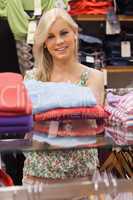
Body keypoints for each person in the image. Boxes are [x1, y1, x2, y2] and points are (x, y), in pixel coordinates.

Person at [23, 7, 104, 188]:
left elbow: (94, 127)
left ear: (75, 33)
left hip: (82, 177)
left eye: (64, 33)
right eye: (50, 36)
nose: (58, 41)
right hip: (38, 176)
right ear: (44, 42)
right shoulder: (31, 78)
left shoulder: (94, 78)